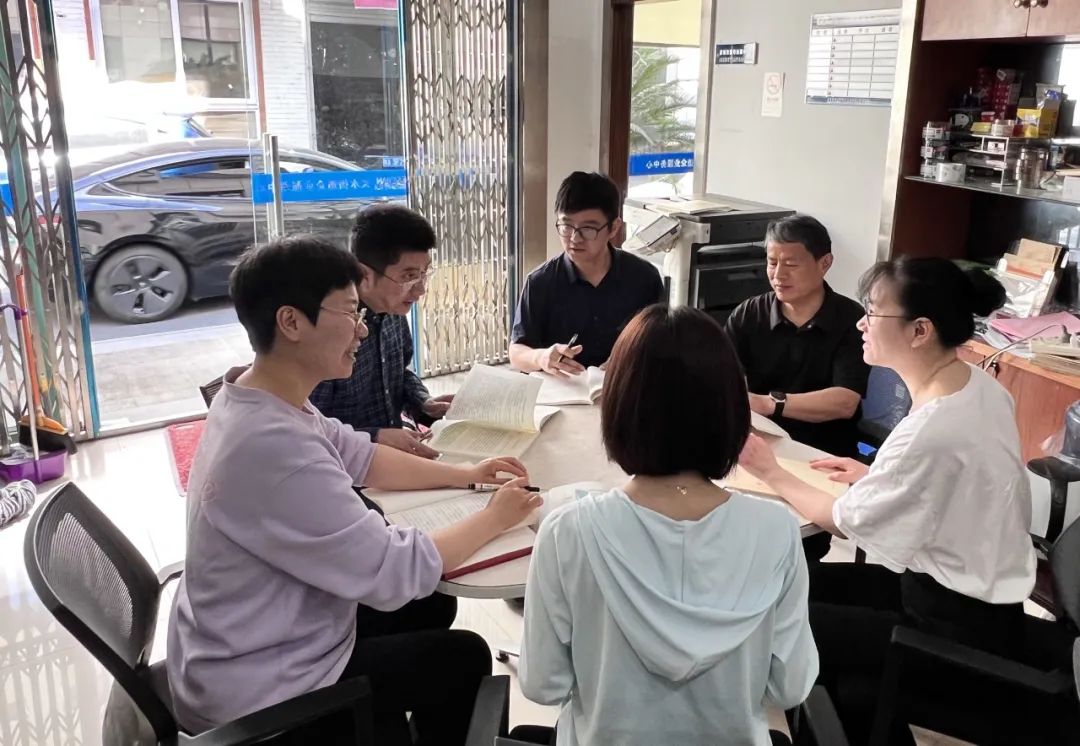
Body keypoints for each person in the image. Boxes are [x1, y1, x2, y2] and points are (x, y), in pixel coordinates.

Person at [167, 235, 542, 746]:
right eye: (349, 312)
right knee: (464, 657)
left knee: (431, 606)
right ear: (291, 322)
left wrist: (468, 473)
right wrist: (496, 517)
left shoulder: (255, 396)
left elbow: (359, 453)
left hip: (255, 634)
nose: (362, 329)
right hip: (264, 689)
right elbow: (394, 569)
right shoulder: (276, 450)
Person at [737, 257, 1062, 744]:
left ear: (920, 331)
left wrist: (769, 470)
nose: (861, 323)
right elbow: (957, 481)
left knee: (782, 624)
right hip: (979, 602)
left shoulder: (931, 430)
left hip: (950, 627)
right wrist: (881, 476)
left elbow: (841, 520)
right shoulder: (978, 386)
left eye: (872, 311)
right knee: (795, 587)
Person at [516, 304, 818, 746]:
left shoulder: (568, 532)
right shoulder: (775, 530)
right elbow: (789, 688)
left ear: (617, 409)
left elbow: (543, 685)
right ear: (731, 412)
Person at [724, 214, 869, 459]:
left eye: (791, 265)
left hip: (824, 454)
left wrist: (768, 404)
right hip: (758, 445)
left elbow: (844, 402)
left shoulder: (851, 319)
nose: (779, 275)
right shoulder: (749, 314)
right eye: (772, 263)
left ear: (825, 263)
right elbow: (720, 379)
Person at [310, 205, 450, 459]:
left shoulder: (393, 310)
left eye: (424, 274)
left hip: (394, 456)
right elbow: (307, 429)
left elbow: (399, 373)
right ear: (364, 274)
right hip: (345, 466)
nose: (420, 289)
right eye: (409, 276)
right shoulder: (327, 331)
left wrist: (423, 402)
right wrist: (375, 436)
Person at [509, 171, 665, 376]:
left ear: (614, 228)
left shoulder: (644, 278)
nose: (575, 238)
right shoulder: (540, 282)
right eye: (566, 226)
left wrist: (627, 360)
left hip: (623, 387)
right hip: (560, 389)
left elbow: (659, 344)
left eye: (588, 229)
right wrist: (542, 357)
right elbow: (517, 352)